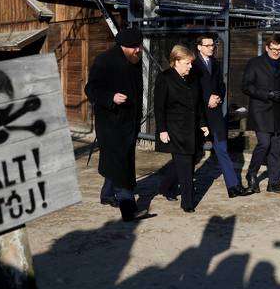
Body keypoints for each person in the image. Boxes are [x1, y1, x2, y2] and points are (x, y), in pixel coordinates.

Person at [85, 28, 149, 222]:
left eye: (138, 46)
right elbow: (91, 89)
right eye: (134, 47)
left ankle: (106, 195)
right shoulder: (104, 61)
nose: (137, 50)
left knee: (118, 161)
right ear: (123, 46)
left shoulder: (134, 61)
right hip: (110, 124)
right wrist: (110, 97)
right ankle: (129, 209)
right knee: (122, 166)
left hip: (130, 123)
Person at [193, 35, 250, 198]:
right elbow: (191, 90)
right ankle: (169, 184)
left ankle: (233, 187)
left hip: (215, 114)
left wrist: (217, 96)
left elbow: (221, 86)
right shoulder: (193, 65)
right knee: (191, 153)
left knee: (222, 149)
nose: (212, 47)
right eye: (208, 45)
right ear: (199, 47)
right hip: (199, 115)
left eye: (213, 45)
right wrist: (206, 99)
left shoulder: (216, 64)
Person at [155, 45, 209, 213]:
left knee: (186, 161)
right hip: (175, 129)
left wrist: (202, 123)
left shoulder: (191, 78)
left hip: (192, 128)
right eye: (187, 63)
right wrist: (162, 129)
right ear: (176, 61)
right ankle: (188, 202)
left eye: (191, 63)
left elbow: (198, 103)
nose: (190, 67)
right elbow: (159, 107)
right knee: (186, 165)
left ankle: (165, 187)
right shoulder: (165, 78)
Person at [242, 34, 280, 194]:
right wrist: (268, 94)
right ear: (267, 47)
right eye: (274, 49)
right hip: (261, 111)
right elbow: (247, 86)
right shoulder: (254, 63)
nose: (277, 52)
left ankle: (274, 183)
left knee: (276, 147)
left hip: (278, 111)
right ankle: (251, 175)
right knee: (264, 143)